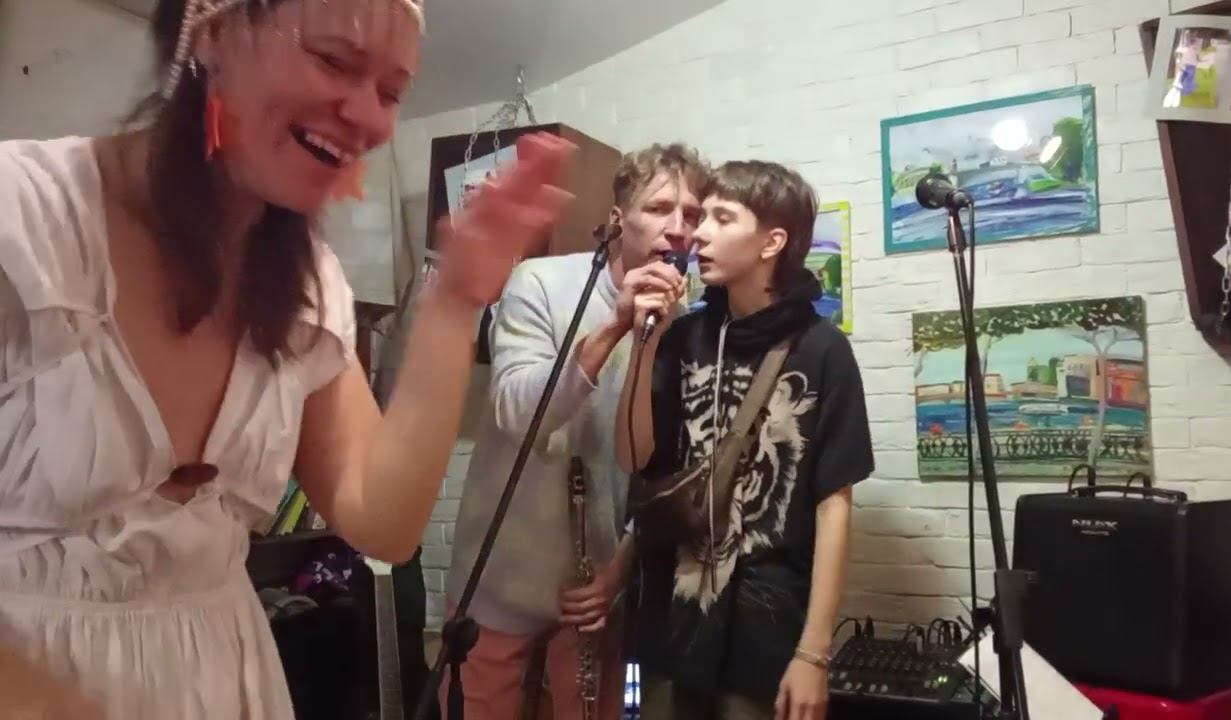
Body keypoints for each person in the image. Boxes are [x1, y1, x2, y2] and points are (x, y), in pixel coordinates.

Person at [0, 1, 575, 718]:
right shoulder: (22, 220)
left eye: (392, 92)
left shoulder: (309, 285)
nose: (368, 118)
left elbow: (382, 520)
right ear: (211, 32)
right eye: (334, 60)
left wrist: (456, 301)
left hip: (227, 680)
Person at [441, 143, 708, 719]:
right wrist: (614, 327)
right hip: (499, 585)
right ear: (617, 219)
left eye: (691, 214)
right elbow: (515, 411)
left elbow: (661, 471)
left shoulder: (684, 321)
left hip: (592, 594)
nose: (678, 227)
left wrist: (619, 570)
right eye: (659, 208)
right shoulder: (538, 282)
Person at [617, 160, 875, 719]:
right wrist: (644, 343)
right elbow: (637, 459)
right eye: (701, 217)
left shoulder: (822, 349)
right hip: (670, 617)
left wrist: (814, 651)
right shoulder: (683, 336)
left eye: (722, 218)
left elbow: (834, 504)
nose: (697, 234)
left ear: (772, 243)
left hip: (766, 626)